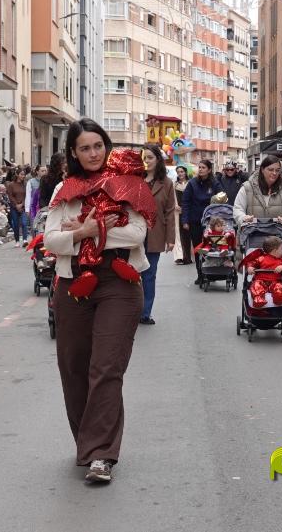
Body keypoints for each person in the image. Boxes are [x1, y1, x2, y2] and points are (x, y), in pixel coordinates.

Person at [43, 118, 149, 483]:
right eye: (84, 147)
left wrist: (92, 230)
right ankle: (86, 443)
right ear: (73, 153)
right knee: (73, 366)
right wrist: (79, 237)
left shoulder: (127, 184)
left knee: (106, 367)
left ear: (106, 146)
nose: (93, 153)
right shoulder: (64, 188)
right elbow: (50, 241)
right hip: (74, 282)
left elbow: (136, 233)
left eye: (98, 145)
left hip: (119, 281)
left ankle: (101, 454)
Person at [139, 144, 176, 325]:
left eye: (150, 158)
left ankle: (145, 313)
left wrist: (171, 239)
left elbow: (169, 212)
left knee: (149, 274)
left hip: (155, 234)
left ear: (158, 160)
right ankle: (131, 310)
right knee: (131, 275)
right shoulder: (135, 180)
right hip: (133, 235)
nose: (146, 161)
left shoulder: (166, 183)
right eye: (144, 158)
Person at [181, 159, 223, 285]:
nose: (200, 169)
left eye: (203, 167)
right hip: (195, 221)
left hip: (212, 222)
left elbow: (223, 198)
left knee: (212, 247)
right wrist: (185, 220)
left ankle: (211, 273)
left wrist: (215, 201)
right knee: (199, 248)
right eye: (199, 167)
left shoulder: (215, 183)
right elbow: (185, 202)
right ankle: (200, 274)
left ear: (209, 169)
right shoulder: (192, 183)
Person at [241, 236, 282, 314]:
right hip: (261, 281)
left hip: (275, 282)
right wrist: (250, 267)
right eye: (281, 249)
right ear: (274, 250)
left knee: (279, 288)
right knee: (256, 286)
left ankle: (279, 298)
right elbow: (252, 262)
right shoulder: (261, 258)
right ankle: (259, 299)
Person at [173, 165, 192, 265]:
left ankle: (187, 256)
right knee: (178, 235)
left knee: (187, 234)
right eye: (178, 172)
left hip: (188, 211)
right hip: (177, 212)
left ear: (185, 172)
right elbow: (172, 197)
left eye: (182, 171)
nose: (180, 174)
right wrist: (175, 205)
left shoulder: (190, 184)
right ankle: (179, 256)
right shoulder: (175, 185)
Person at [5, 168, 28, 246]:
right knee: (15, 224)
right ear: (17, 174)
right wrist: (16, 205)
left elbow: (27, 195)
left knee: (24, 223)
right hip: (14, 207)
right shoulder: (11, 184)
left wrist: (22, 204)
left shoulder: (25, 184)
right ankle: (17, 241)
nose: (23, 176)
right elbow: (10, 196)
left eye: (24, 174)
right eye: (21, 174)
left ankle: (25, 240)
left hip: (23, 206)